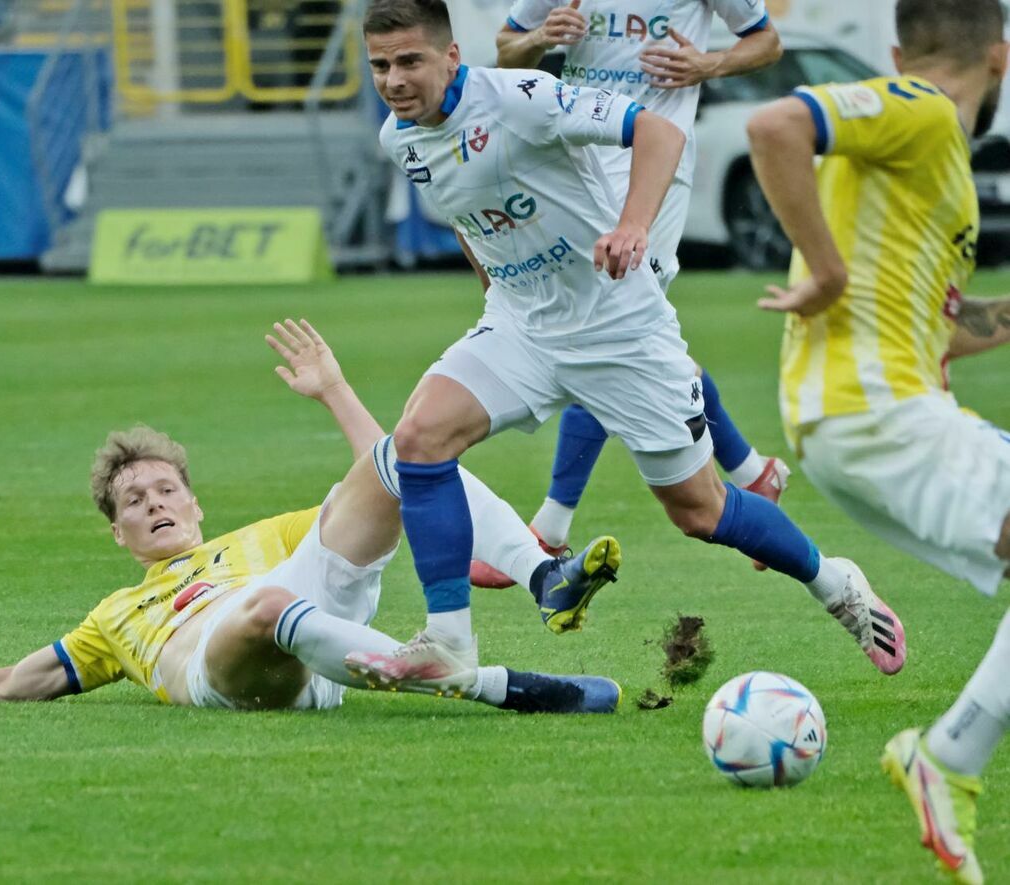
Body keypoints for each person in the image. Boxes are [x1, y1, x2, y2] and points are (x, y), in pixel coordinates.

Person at [350, 0, 906, 695]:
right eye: (381, 65)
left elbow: (658, 132)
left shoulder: (523, 98)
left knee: (699, 510)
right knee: (420, 437)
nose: (395, 79)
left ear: (451, 57)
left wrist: (632, 227)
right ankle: (448, 640)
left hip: (618, 325)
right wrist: (494, 287)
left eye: (410, 61)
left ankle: (836, 583)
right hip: (523, 323)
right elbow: (470, 214)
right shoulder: (397, 139)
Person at [0, 320, 620, 715]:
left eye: (163, 489)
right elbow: (7, 681)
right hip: (223, 668)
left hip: (300, 610)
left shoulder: (258, 539)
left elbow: (398, 473)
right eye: (133, 501)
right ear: (118, 533)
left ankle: (543, 574)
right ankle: (473, 682)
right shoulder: (112, 620)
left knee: (413, 452)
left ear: (194, 501)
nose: (152, 503)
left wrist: (333, 389)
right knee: (260, 608)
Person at [746, 1, 1009, 879]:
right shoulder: (925, 106)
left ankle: (950, 760)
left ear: (896, 44)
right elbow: (777, 121)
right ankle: (948, 761)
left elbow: (943, 320)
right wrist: (822, 266)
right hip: (874, 412)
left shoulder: (936, 167)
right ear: (1000, 57)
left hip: (867, 420)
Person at [466, 0, 789, 587]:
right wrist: (541, 36)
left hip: (655, 167)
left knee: (605, 331)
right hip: (575, 166)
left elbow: (767, 42)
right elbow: (507, 49)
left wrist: (706, 65)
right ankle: (751, 470)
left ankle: (550, 528)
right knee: (641, 344)